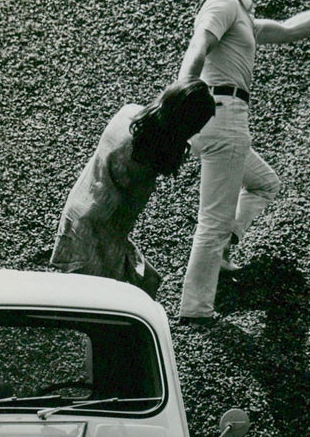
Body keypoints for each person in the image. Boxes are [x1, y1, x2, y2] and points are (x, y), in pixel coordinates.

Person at [176, 0, 310, 325]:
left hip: (220, 116)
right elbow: (197, 46)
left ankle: (221, 253)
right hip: (222, 114)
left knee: (264, 183)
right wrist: (181, 95)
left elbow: (290, 29)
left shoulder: (242, 15)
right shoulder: (223, 4)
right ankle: (196, 309)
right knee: (213, 218)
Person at [50, 79, 215, 298]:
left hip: (80, 209)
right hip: (100, 231)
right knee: (116, 299)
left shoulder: (128, 113)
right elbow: (130, 210)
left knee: (143, 285)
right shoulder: (147, 158)